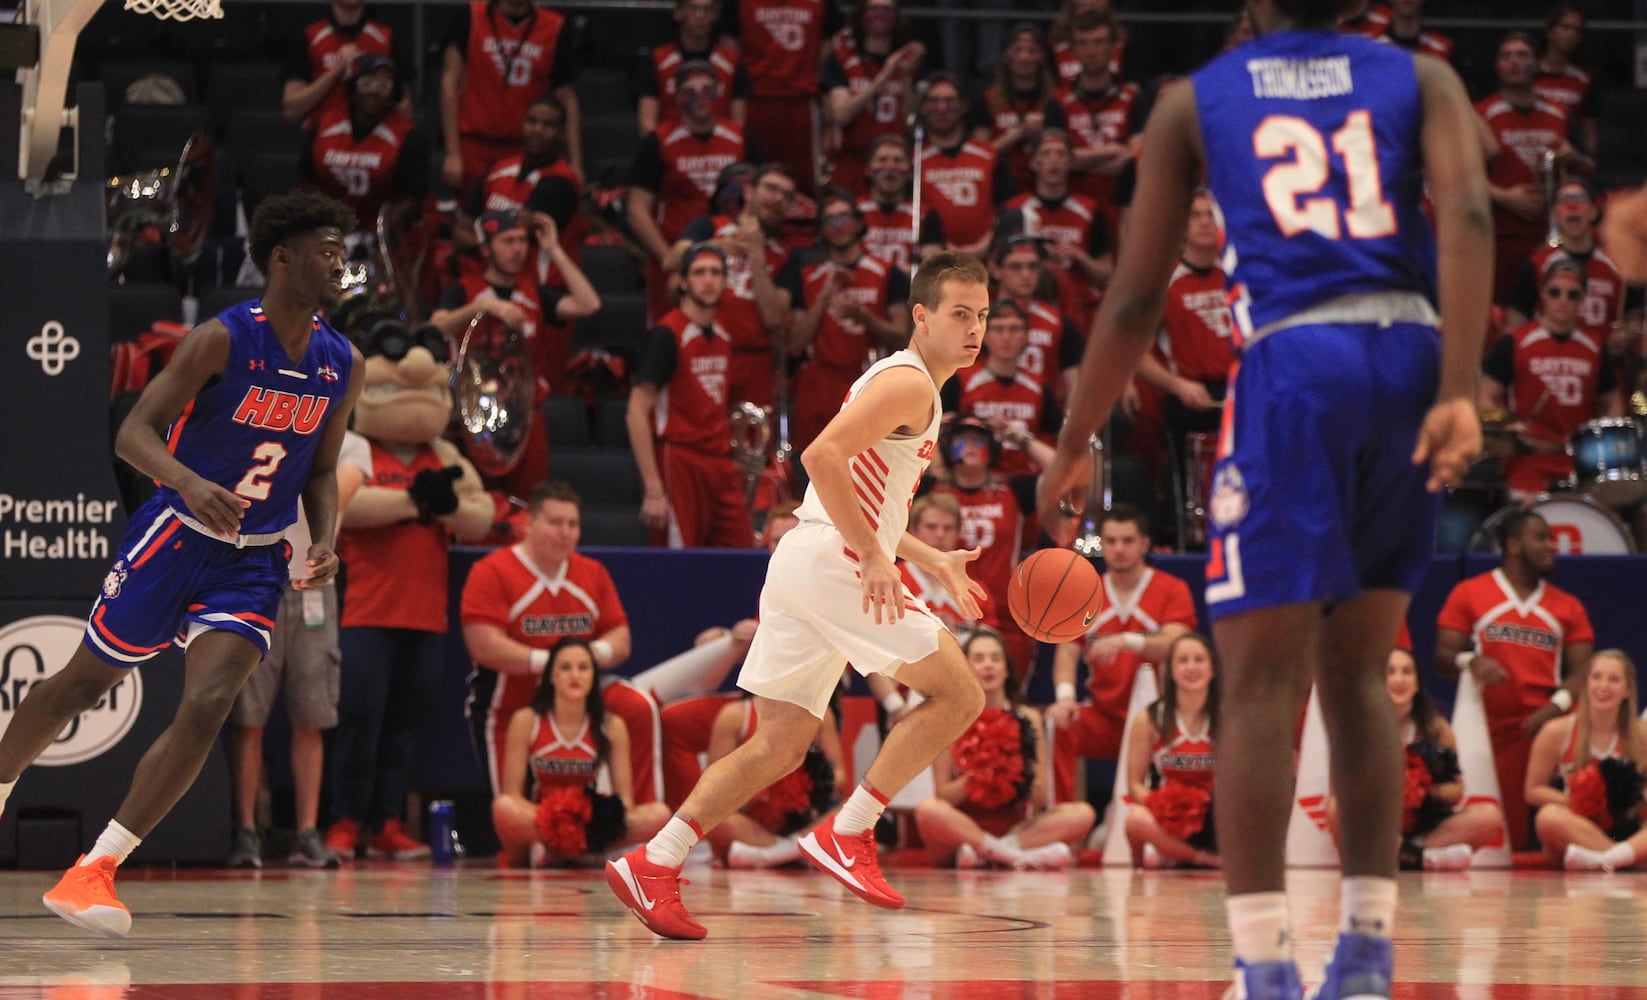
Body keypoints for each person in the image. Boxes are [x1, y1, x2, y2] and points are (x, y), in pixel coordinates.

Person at [1036, 1, 1493, 995]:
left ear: (1251, 8)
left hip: (1295, 359)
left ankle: (1267, 967)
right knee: (1364, 671)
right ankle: (1366, 953)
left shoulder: (1194, 100)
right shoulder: (1422, 77)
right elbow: (1465, 214)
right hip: (1410, 351)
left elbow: (1131, 298)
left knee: (1259, 683)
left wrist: (1075, 443)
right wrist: (1459, 384)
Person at [0, 192, 364, 936]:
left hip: (254, 561)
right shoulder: (221, 339)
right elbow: (132, 433)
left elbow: (322, 472)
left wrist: (325, 536)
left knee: (208, 705)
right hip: (175, 535)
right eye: (326, 249)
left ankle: (95, 870)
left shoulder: (342, 362)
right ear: (282, 258)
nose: (339, 262)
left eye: (342, 250)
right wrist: (191, 484)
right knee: (79, 685)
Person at [606, 250, 991, 940]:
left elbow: (858, 496)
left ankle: (653, 861)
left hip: (804, 558)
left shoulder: (904, 384)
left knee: (779, 746)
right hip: (833, 560)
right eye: (960, 314)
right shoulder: (910, 385)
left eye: (983, 316)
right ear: (921, 316)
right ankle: (851, 830)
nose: (974, 329)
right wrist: (872, 555)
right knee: (960, 694)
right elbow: (819, 457)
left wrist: (929, 557)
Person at [325, 321, 495, 862]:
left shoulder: (441, 454)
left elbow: (480, 517)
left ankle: (387, 821)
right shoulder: (358, 450)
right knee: (359, 719)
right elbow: (343, 509)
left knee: (404, 727)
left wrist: (444, 507)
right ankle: (346, 819)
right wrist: (416, 505)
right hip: (365, 611)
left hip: (425, 615)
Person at [1435, 509, 1595, 852]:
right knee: (1488, 835)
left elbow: (1583, 673)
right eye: (1541, 537)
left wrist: (1555, 708)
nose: (1551, 545)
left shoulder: (1568, 606)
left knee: (1532, 838)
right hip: (1484, 728)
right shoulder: (1470, 593)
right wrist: (1472, 660)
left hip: (1540, 730)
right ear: (1513, 545)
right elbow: (1442, 657)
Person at [460, 480, 633, 797]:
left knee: (574, 817)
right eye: (555, 523)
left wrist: (590, 654)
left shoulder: (592, 572)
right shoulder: (492, 571)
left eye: (573, 524)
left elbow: (621, 638)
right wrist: (555, 662)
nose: (565, 532)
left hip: (571, 716)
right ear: (529, 523)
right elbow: (483, 644)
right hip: (504, 710)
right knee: (510, 812)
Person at [1048, 505, 1196, 804]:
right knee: (1059, 724)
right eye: (1111, 541)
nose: (1119, 549)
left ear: (1144, 543)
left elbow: (1176, 642)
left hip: (1159, 717)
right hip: (1105, 715)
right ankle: (1068, 827)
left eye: (1128, 541)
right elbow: (1066, 651)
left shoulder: (1172, 588)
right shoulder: (1085, 592)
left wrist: (1128, 641)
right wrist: (1065, 697)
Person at [913, 629, 1092, 869]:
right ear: (964, 668)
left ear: (1006, 669)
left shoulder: (1027, 717)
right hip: (959, 831)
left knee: (1082, 814)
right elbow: (943, 795)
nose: (988, 666)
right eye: (979, 659)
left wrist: (1012, 772)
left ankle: (994, 851)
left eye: (996, 658)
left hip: (1014, 830)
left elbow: (1041, 795)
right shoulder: (949, 718)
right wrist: (978, 776)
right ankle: (1008, 854)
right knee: (928, 810)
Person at [226, 508, 343, 870]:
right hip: (257, 578)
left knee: (312, 714)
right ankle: (246, 829)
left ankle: (307, 831)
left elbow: (338, 492)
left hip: (313, 585)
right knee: (249, 716)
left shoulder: (348, 449)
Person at [492, 638, 671, 867]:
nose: (575, 675)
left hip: (588, 822)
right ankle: (583, 855)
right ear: (551, 676)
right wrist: (555, 819)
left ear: (594, 676)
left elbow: (624, 800)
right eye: (565, 667)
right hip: (540, 818)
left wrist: (598, 822)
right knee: (504, 808)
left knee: (659, 814)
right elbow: (512, 794)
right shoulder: (527, 720)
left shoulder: (611, 725)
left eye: (583, 667)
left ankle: (559, 854)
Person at [1323, 648, 1505, 872]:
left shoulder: (1437, 729)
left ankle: (1408, 853)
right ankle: (1417, 858)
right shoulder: (1355, 729)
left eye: (1407, 672)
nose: (1399, 679)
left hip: (1425, 824)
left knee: (1488, 816)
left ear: (1417, 683)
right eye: (1390, 672)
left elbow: (1457, 789)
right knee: (1335, 808)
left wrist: (1422, 790)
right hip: (1375, 820)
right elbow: (1336, 790)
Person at [628, 243, 757, 548]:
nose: (708, 280)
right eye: (699, 273)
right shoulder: (666, 335)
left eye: (716, 273)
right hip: (680, 458)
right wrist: (653, 487)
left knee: (741, 554)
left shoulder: (724, 334)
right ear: (683, 282)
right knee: (679, 557)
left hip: (719, 459)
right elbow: (635, 411)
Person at [783, 189, 913, 457]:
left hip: (868, 380)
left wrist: (864, 316)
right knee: (813, 466)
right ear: (821, 229)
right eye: (830, 220)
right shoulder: (807, 274)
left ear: (859, 223)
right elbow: (795, 344)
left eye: (844, 217)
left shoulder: (888, 273)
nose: (838, 226)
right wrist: (824, 295)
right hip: (817, 386)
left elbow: (902, 336)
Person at [1478, 258, 1620, 500]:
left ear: (1583, 299)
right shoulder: (1515, 342)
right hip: (1527, 459)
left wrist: (1602, 436)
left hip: (1578, 461)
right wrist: (1506, 429)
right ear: (1542, 294)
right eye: (1555, 292)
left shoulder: (1596, 348)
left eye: (1572, 295)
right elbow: (1485, 396)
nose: (1563, 300)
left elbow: (1613, 401)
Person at [1475, 31, 1591, 305]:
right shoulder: (1479, 113)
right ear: (1497, 66)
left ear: (1537, 64)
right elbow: (1456, 178)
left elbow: (1590, 169)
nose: (1514, 62)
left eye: (1522, 55)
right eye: (1506, 56)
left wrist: (1574, 157)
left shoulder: (1559, 113)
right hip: (1497, 237)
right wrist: (1504, 196)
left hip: (1551, 237)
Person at [439, 0, 582, 193]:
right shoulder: (470, 16)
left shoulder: (555, 26)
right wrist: (452, 152)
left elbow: (566, 97)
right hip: (474, 145)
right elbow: (449, 83)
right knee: (470, 219)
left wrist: (576, 163)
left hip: (528, 149)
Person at [1525, 650, 1647, 872]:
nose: (1603, 686)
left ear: (1628, 690)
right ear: (1586, 683)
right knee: (1548, 817)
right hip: (1579, 824)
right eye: (1597, 677)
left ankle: (1608, 858)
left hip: (1629, 827)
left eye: (1614, 680)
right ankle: (1626, 860)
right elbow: (1533, 790)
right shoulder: (1557, 731)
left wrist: (1635, 800)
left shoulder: (1642, 734)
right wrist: (1581, 802)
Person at [702, 695, 846, 868]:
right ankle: (798, 852)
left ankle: (773, 854)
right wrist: (758, 788)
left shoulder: (820, 712)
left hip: (806, 819)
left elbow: (839, 775)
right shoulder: (735, 716)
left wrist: (809, 784)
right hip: (753, 824)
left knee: (854, 810)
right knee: (717, 822)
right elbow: (713, 787)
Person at [298, 54, 430, 232]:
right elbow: (307, 184)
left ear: (394, 94)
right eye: (366, 83)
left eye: (383, 86)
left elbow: (411, 201)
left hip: (383, 238)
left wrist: (378, 237)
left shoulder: (409, 137)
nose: (374, 92)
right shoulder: (323, 126)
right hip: (328, 232)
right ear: (353, 89)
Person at [1122, 633, 1220, 870]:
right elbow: (1134, 784)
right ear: (1171, 670)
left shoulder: (1228, 716)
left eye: (1199, 660)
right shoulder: (1149, 719)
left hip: (1218, 816)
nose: (1191, 667)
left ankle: (1179, 855)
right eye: (1183, 660)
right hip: (1171, 819)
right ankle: (1205, 860)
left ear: (1213, 669)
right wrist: (1165, 806)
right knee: (1135, 819)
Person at [820, 0, 924, 197]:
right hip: (850, 162)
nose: (880, 15)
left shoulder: (906, 62)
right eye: (874, 9)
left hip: (891, 163)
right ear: (862, 15)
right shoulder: (841, 60)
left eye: (887, 9)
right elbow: (841, 115)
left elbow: (908, 121)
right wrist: (883, 77)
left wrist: (908, 78)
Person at [280, 0, 414, 126]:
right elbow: (291, 111)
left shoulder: (388, 38)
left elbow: (405, 110)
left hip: (376, 143)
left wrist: (370, 80)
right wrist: (334, 72)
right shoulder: (309, 37)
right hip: (324, 142)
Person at [636, 0, 749, 134]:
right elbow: (647, 123)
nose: (700, 16)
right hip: (671, 148)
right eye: (693, 9)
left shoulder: (732, 63)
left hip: (719, 148)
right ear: (678, 13)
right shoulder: (657, 61)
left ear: (715, 15)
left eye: (707, 10)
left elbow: (739, 124)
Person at [1533, 4, 1596, 159]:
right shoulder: (1529, 71)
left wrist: (1587, 159)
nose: (1571, 34)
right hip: (1531, 145)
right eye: (1566, 27)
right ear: (1550, 30)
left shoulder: (1584, 78)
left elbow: (1589, 128)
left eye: (1577, 30)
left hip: (1568, 153)